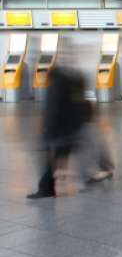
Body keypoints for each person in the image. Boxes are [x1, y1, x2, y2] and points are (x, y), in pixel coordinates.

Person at [28, 67, 90, 199]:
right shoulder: (70, 87)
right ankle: (52, 187)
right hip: (68, 133)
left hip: (58, 134)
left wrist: (46, 134)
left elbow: (51, 112)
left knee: (51, 162)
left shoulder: (56, 87)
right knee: (59, 160)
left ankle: (46, 189)